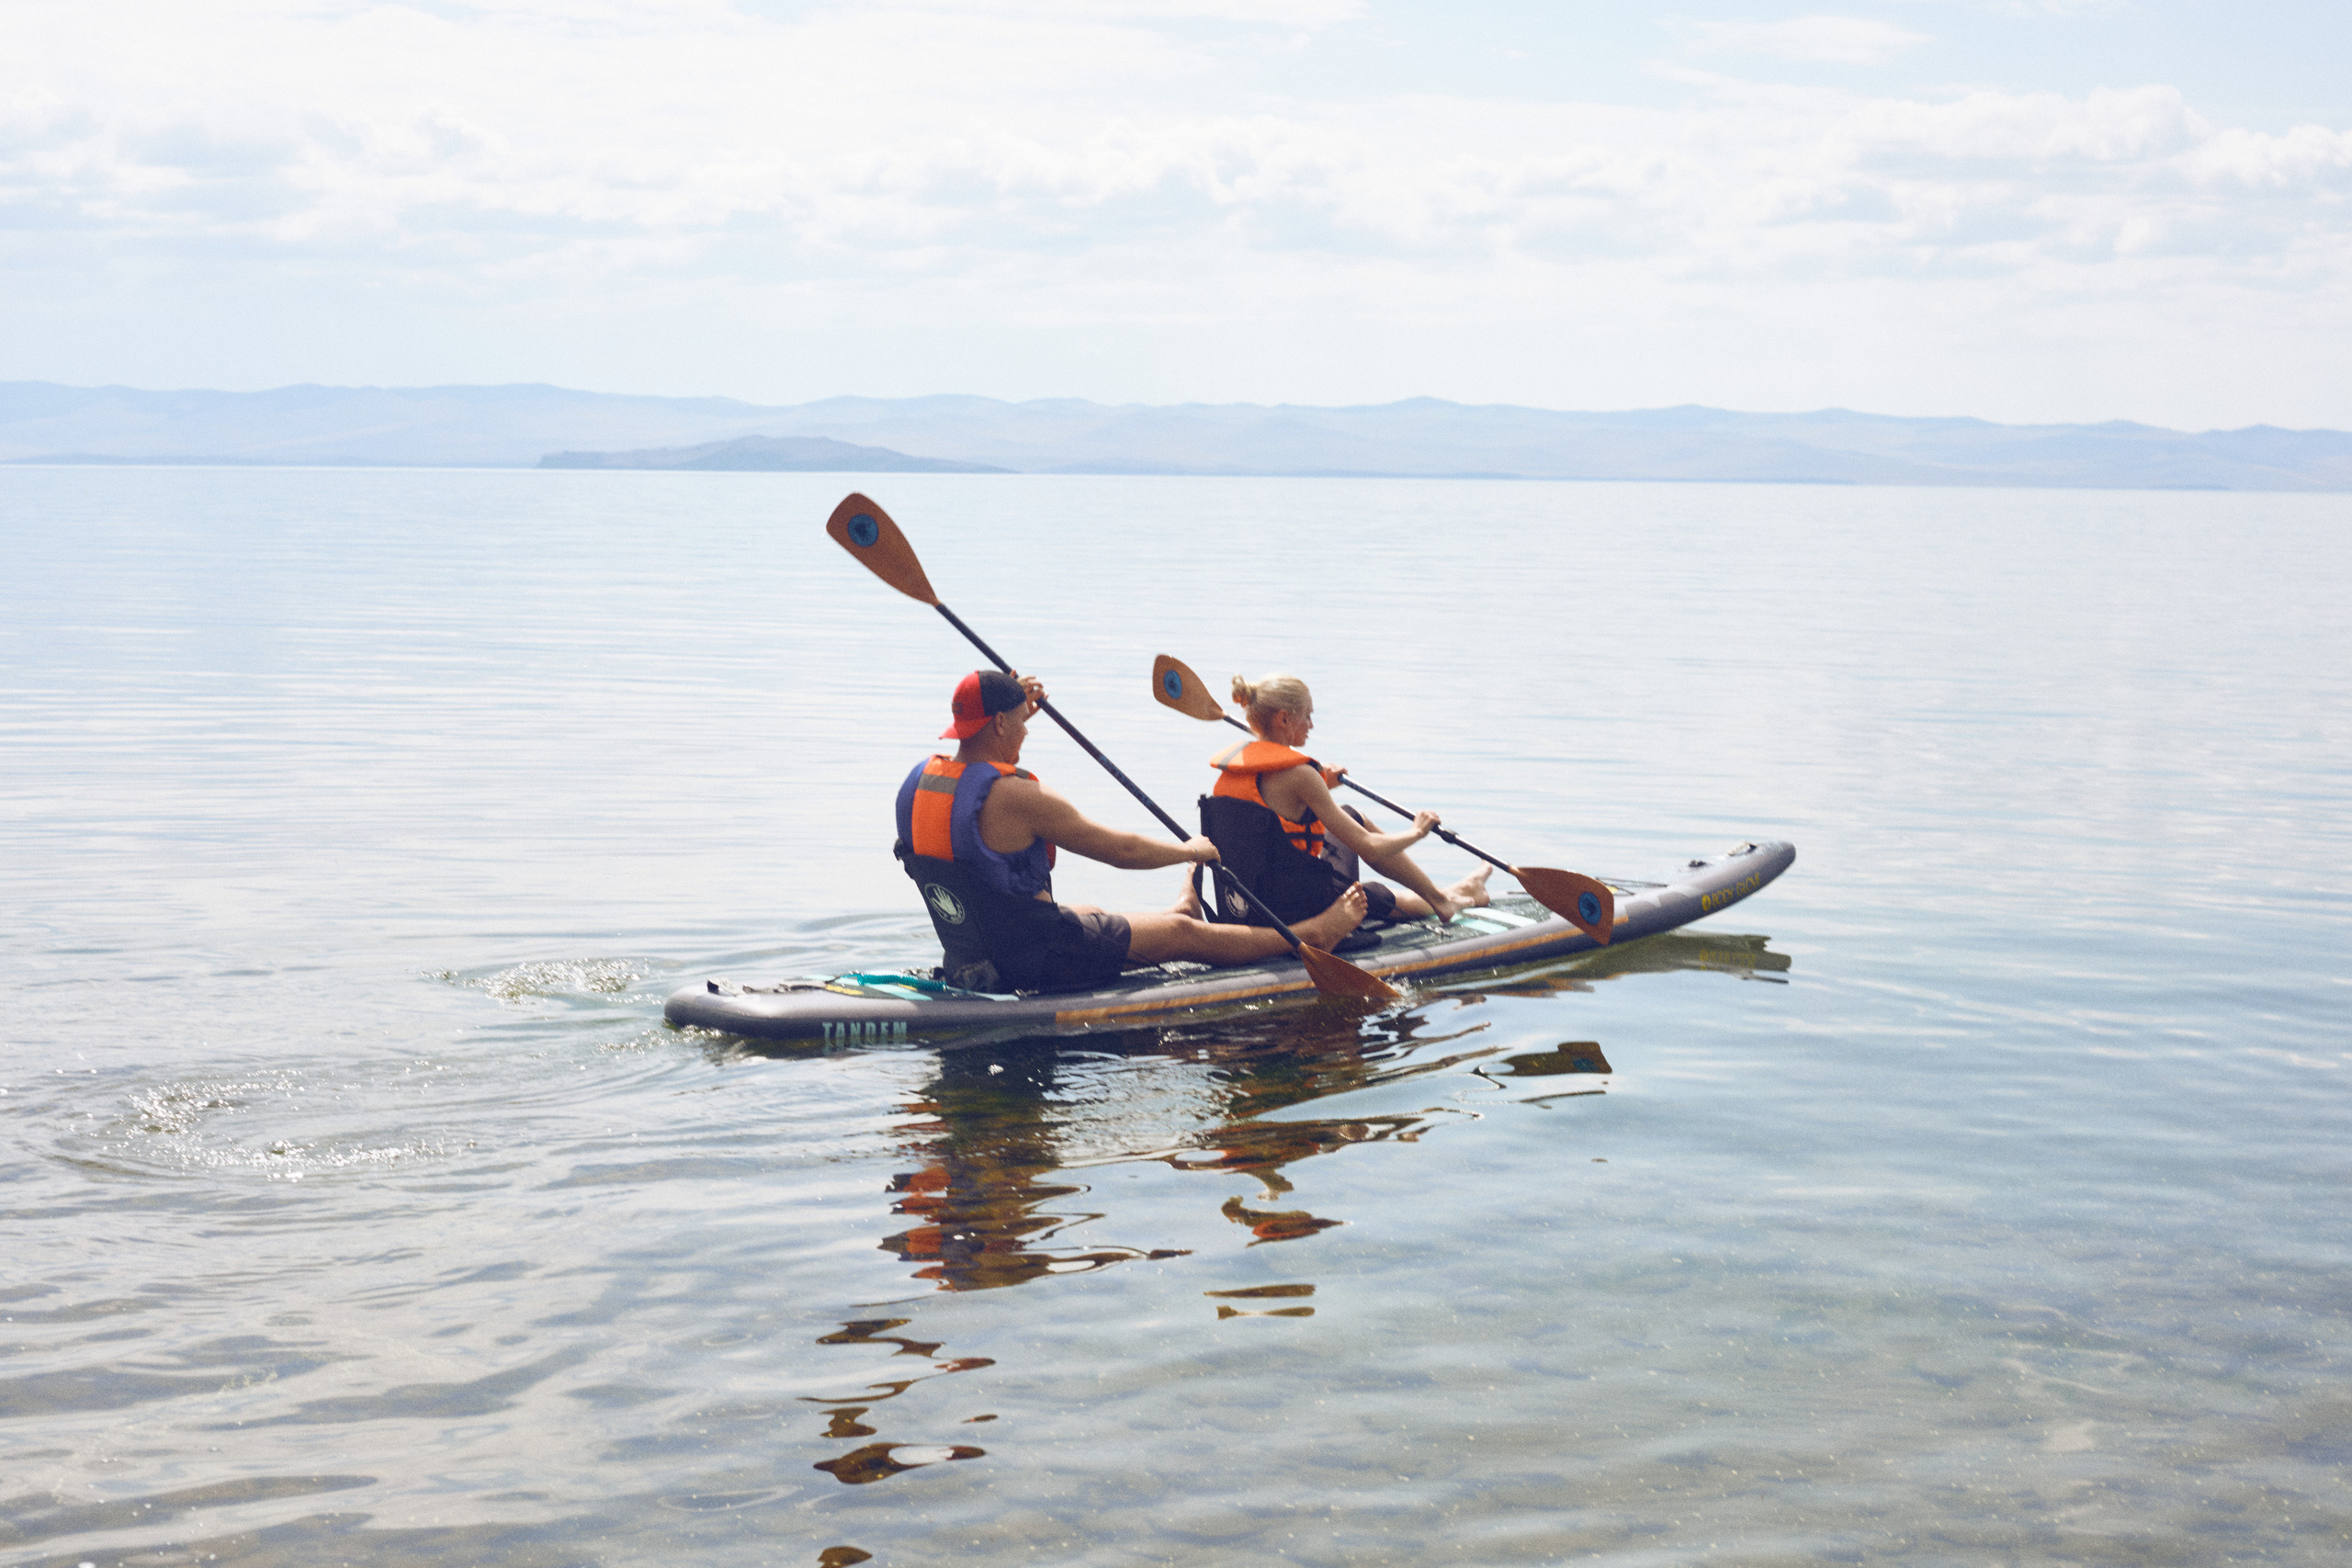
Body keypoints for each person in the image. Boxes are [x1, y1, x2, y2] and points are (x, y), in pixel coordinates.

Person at [895, 670, 1367, 993]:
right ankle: (1312, 933)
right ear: (998, 723)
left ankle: (1177, 908)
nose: (1026, 733)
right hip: (1040, 960)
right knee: (1185, 935)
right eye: (1019, 723)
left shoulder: (919, 782)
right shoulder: (1016, 797)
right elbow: (1121, 850)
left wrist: (1011, 702)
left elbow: (977, 851)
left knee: (1093, 910)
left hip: (975, 950)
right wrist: (1188, 851)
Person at [1201, 673, 1492, 929]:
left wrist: (1321, 786)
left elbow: (1270, 813)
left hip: (1247, 905)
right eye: (1307, 715)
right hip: (1294, 914)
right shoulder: (1301, 775)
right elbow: (1369, 848)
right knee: (1371, 893)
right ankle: (1448, 899)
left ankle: (1450, 894)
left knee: (1349, 818)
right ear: (1284, 718)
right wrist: (1417, 832)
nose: (1311, 725)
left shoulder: (1233, 771)